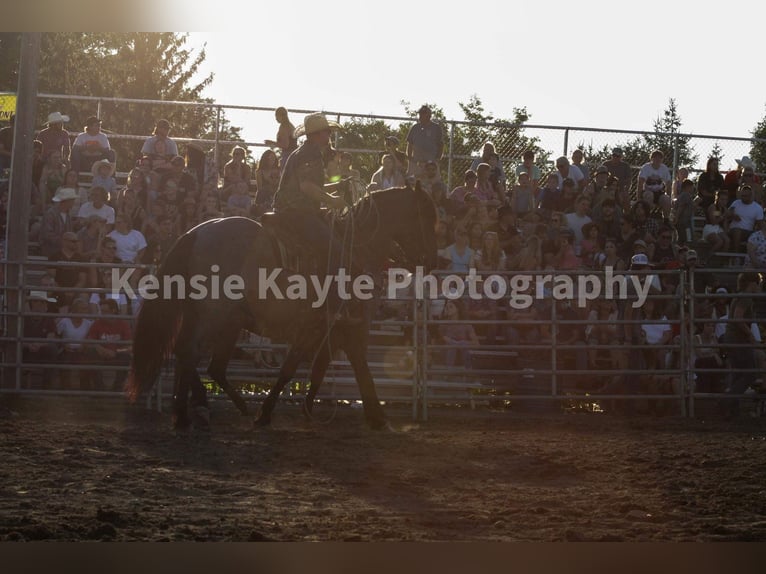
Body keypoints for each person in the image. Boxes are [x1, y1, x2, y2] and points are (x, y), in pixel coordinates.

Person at [272, 112, 350, 317]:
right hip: (296, 212)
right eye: (326, 131)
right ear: (316, 135)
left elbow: (312, 187)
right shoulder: (310, 154)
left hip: (295, 209)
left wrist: (337, 186)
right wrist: (333, 200)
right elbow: (307, 187)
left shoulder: (305, 152)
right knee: (335, 249)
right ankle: (330, 305)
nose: (329, 135)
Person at [721, 272, 762, 418]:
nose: (759, 286)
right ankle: (727, 400)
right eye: (758, 283)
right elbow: (738, 318)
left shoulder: (740, 295)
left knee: (739, 374)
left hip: (732, 338)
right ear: (752, 283)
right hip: (738, 339)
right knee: (750, 374)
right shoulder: (746, 298)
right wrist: (750, 335)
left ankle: (732, 409)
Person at [405, 105, 443, 177]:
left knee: (434, 183)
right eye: (420, 114)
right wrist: (410, 159)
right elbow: (410, 144)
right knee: (413, 183)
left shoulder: (436, 128)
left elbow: (440, 145)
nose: (420, 116)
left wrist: (437, 159)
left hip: (431, 163)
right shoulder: (415, 127)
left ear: (429, 115)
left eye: (423, 114)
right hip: (417, 162)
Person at [40, 187, 77, 257]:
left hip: (63, 252)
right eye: (72, 200)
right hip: (51, 250)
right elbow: (47, 234)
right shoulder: (50, 214)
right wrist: (64, 242)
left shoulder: (68, 216)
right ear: (66, 201)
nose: (74, 203)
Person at [726, 185, 763, 252]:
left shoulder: (757, 208)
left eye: (745, 196)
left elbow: (760, 224)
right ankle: (736, 254)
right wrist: (733, 215)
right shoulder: (736, 203)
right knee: (737, 230)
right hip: (733, 229)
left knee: (739, 231)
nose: (743, 198)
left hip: (748, 231)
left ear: (750, 196)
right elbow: (727, 213)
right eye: (742, 195)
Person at [637, 150, 672, 218]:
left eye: (660, 158)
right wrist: (638, 198)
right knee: (649, 195)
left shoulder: (664, 168)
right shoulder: (646, 167)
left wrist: (669, 196)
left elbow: (668, 184)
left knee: (666, 199)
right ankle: (647, 217)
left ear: (662, 159)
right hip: (648, 191)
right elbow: (640, 183)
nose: (658, 159)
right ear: (651, 158)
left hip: (659, 193)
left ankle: (666, 220)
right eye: (655, 157)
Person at [254, 149, 280, 214]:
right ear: (265, 159)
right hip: (264, 193)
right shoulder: (259, 171)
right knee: (263, 191)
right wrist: (268, 179)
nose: (272, 159)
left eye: (273, 157)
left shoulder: (278, 170)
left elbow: (279, 183)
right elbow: (259, 187)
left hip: (275, 192)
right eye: (270, 157)